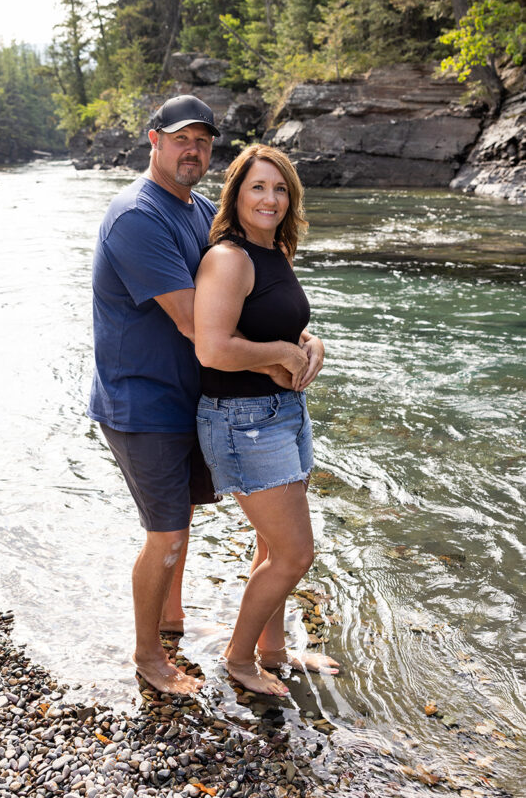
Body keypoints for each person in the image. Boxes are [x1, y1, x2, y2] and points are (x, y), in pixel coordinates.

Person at [88, 97, 324, 696]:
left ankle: (174, 629)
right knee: (166, 534)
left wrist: (299, 339)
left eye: (202, 141)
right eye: (180, 138)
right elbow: (201, 327)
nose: (192, 150)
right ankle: (149, 657)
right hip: (143, 401)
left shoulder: (193, 211)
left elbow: (249, 297)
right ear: (153, 140)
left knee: (188, 526)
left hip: (192, 395)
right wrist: (279, 358)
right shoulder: (137, 217)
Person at [194, 144, 339, 696]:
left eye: (280, 189)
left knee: (273, 546)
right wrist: (282, 350)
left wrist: (309, 343)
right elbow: (213, 348)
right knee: (296, 553)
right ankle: (238, 659)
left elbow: (278, 322)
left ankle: (272, 649)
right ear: (236, 194)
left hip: (283, 413)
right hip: (241, 420)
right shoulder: (228, 258)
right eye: (258, 187)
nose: (270, 198)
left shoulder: (274, 249)